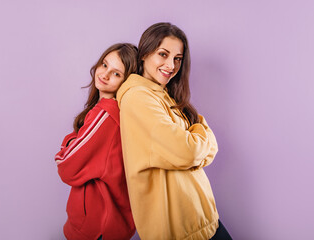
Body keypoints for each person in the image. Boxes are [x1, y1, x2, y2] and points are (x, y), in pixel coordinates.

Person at [117, 23, 232, 240]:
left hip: (202, 220)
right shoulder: (138, 98)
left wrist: (195, 145)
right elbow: (188, 151)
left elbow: (208, 148)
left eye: (177, 58)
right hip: (181, 231)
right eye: (163, 54)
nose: (171, 65)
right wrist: (198, 133)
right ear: (144, 53)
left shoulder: (163, 95)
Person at [55, 43, 137, 240]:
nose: (105, 74)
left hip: (96, 228)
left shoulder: (105, 116)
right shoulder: (116, 113)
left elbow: (66, 166)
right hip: (111, 224)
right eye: (104, 64)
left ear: (126, 82)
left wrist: (69, 141)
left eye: (117, 74)